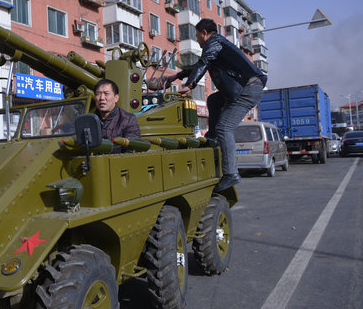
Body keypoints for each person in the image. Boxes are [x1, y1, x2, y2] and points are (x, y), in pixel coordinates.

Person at [160, 18, 267, 192]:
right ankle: (212, 138)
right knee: (213, 100)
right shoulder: (216, 47)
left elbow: (203, 63)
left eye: (197, 36)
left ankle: (231, 173)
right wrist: (176, 77)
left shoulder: (215, 43)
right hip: (243, 88)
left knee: (225, 128)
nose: (198, 40)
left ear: (204, 33)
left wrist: (190, 85)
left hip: (248, 89)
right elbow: (199, 64)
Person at [94, 79, 140, 153]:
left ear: (116, 98)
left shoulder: (127, 120)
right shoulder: (89, 120)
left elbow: (132, 151)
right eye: (98, 94)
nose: (102, 98)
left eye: (106, 93)